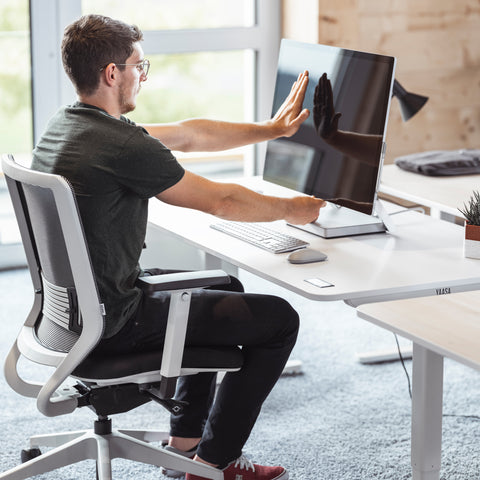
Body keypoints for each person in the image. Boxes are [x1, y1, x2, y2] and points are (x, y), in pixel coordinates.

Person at [31, 14, 325, 480]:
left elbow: (189, 134)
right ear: (113, 73)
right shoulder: (120, 144)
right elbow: (222, 201)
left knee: (224, 284)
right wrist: (292, 208)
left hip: (72, 316)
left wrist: (271, 129)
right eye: (139, 67)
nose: (141, 78)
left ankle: (186, 444)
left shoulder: (69, 126)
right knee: (279, 320)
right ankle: (213, 464)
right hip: (113, 324)